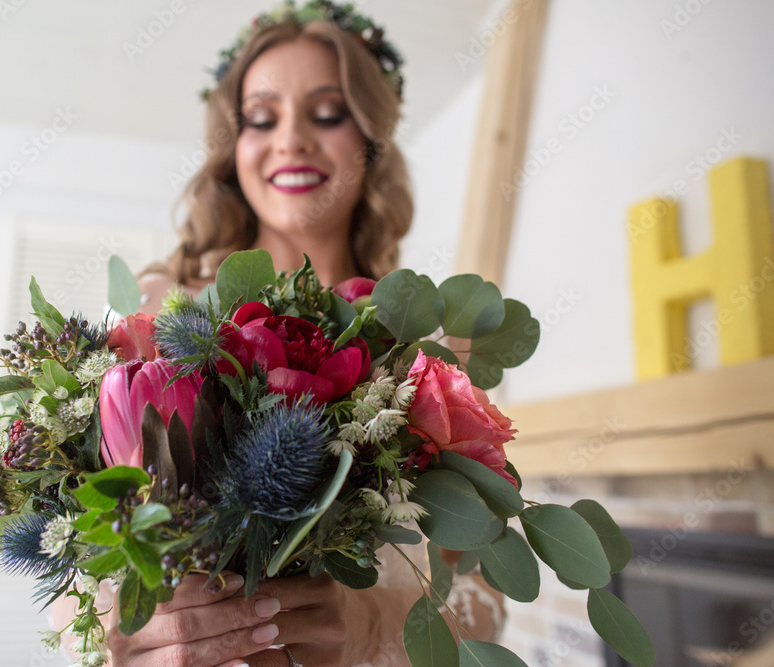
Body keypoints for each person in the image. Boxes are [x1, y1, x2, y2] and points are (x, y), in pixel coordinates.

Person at [53, 2, 505, 665]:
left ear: (373, 143)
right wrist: (115, 631)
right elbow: (72, 548)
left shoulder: (429, 353)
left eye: (327, 114)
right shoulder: (154, 319)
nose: (290, 139)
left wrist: (371, 622)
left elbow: (488, 602)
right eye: (262, 118)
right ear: (233, 150)